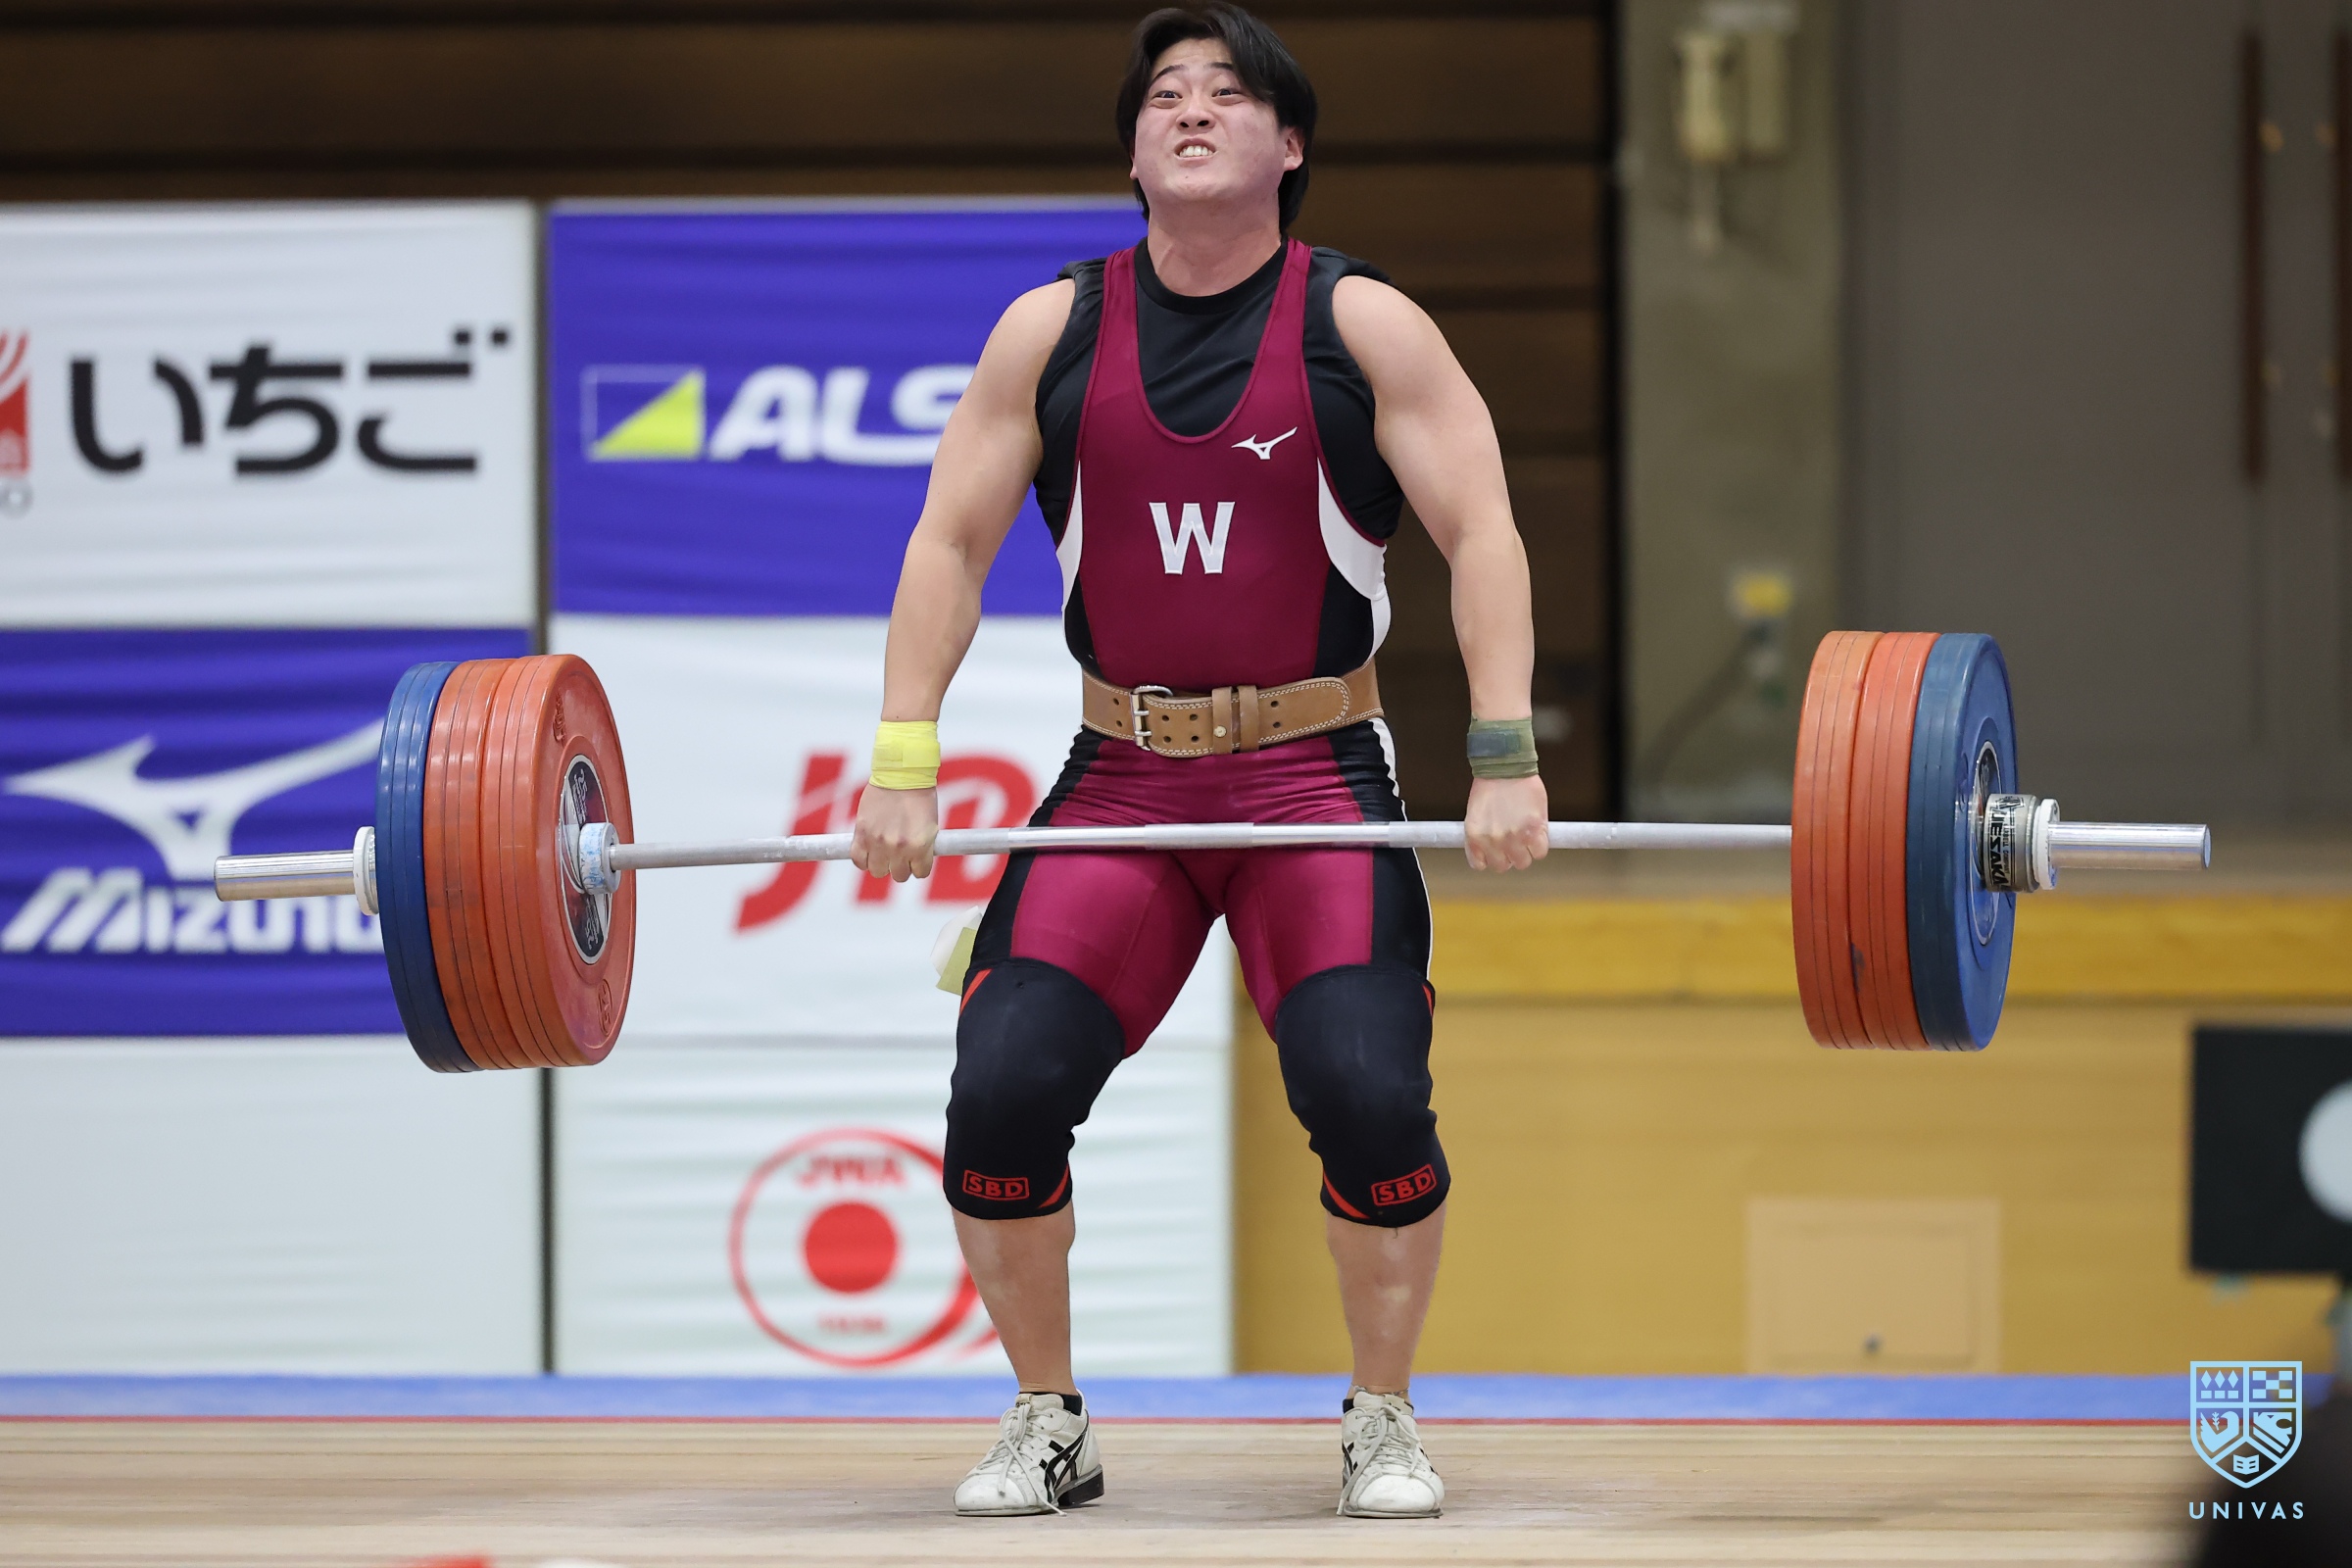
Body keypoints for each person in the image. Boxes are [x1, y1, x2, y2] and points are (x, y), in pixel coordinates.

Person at [850, 1, 1547, 1520]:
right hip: (1125, 782)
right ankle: (1049, 1419)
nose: (1189, 111)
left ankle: (1382, 1417)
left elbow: (1482, 532)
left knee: (1366, 1091)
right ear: (1131, 153)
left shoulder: (1364, 324)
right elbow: (948, 543)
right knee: (1003, 1087)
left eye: (1228, 93)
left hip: (1315, 779)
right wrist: (904, 756)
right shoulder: (1050, 330)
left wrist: (1503, 750)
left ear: (1287, 145)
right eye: (1163, 94)